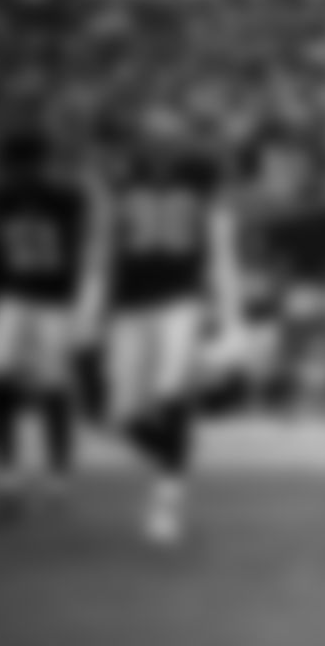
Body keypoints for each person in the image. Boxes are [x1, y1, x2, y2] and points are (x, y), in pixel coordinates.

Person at [100, 146, 240, 546]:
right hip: (134, 309)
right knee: (123, 415)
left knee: (169, 399)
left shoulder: (198, 202)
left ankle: (168, 499)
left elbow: (221, 263)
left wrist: (227, 322)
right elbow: (105, 257)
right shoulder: (125, 195)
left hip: (174, 305)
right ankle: (171, 470)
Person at [0, 131, 98, 522]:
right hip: (15, 298)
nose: (21, 174)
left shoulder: (64, 198)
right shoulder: (5, 198)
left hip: (48, 301)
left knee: (52, 388)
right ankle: (8, 475)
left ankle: (54, 475)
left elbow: (79, 251)